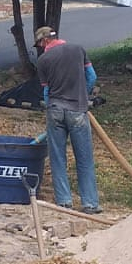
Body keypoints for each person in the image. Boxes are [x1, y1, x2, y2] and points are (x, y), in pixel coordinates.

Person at [34, 26, 101, 214]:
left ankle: (64, 201)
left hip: (55, 110)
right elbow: (92, 77)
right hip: (78, 111)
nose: (40, 47)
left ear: (44, 41)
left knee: (57, 157)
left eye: (39, 44)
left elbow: (46, 91)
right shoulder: (78, 50)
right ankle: (90, 203)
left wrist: (51, 107)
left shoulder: (43, 60)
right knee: (84, 157)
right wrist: (83, 95)